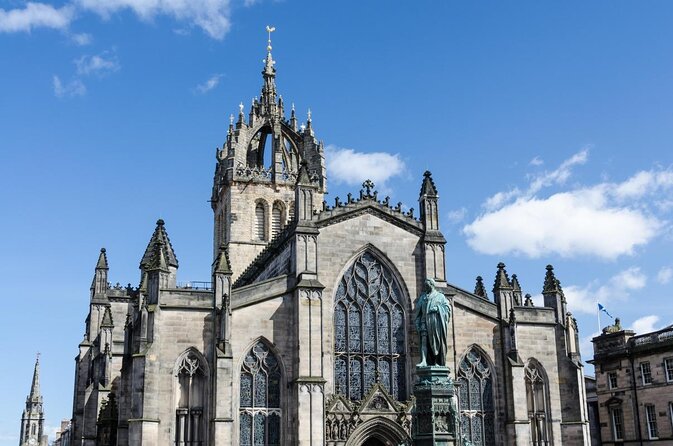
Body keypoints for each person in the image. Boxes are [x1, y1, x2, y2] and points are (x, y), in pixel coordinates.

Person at [414, 278, 451, 367]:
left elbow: (447, 309)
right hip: (424, 322)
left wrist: (438, 308)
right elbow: (418, 313)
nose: (426, 287)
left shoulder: (440, 296)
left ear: (432, 285)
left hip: (435, 323)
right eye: (425, 286)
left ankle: (436, 361)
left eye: (428, 285)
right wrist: (417, 323)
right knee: (424, 341)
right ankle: (423, 360)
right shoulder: (423, 297)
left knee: (435, 342)